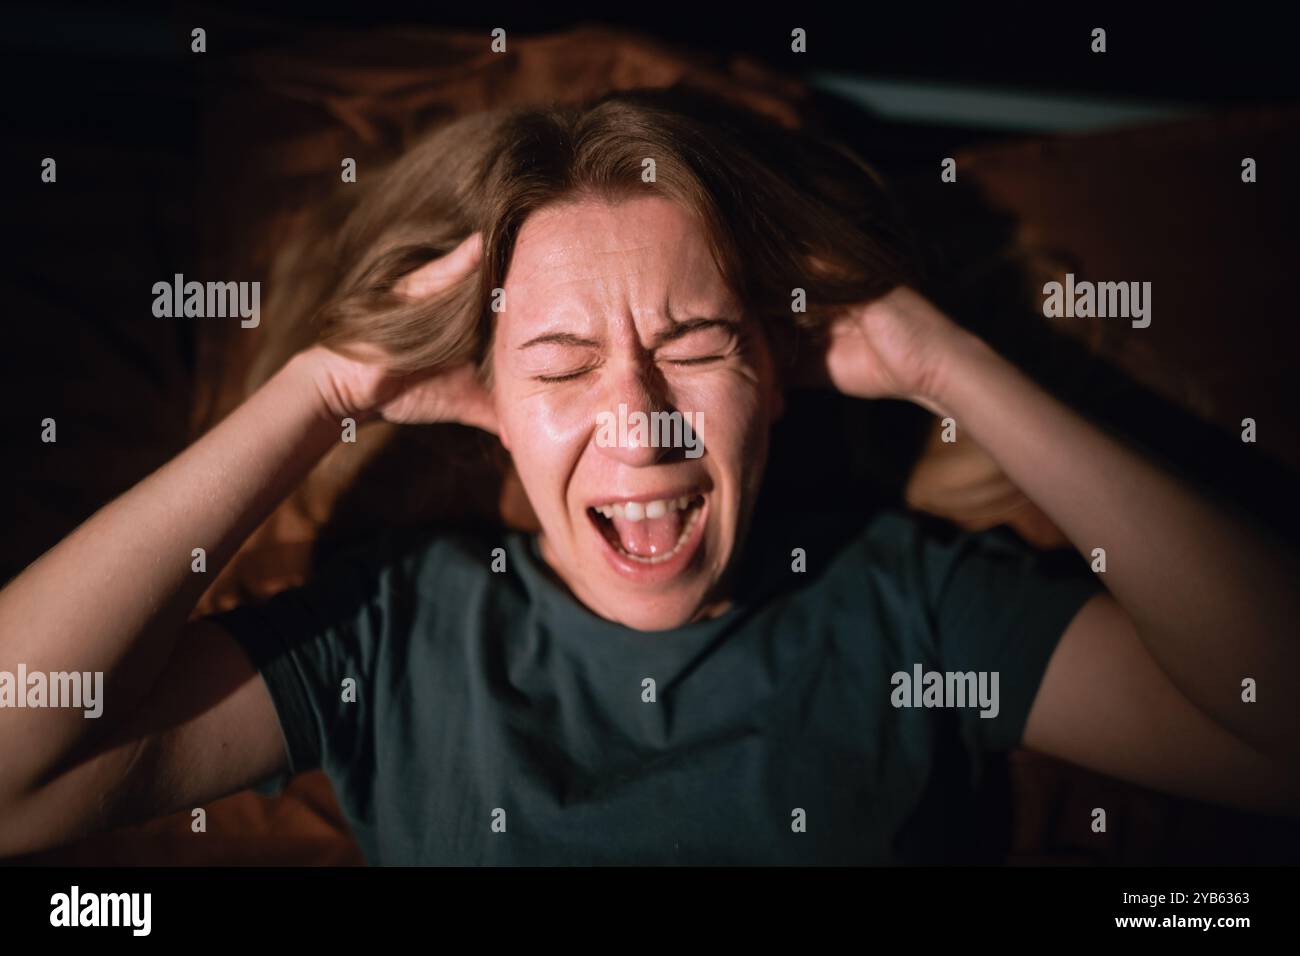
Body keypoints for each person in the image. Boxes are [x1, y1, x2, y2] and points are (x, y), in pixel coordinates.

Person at [1, 88, 1296, 865]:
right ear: (487, 407)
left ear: (777, 374)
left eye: (695, 347)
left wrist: (946, 363)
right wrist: (323, 390)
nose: (642, 419)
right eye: (560, 367)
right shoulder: (388, 634)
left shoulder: (912, 606)